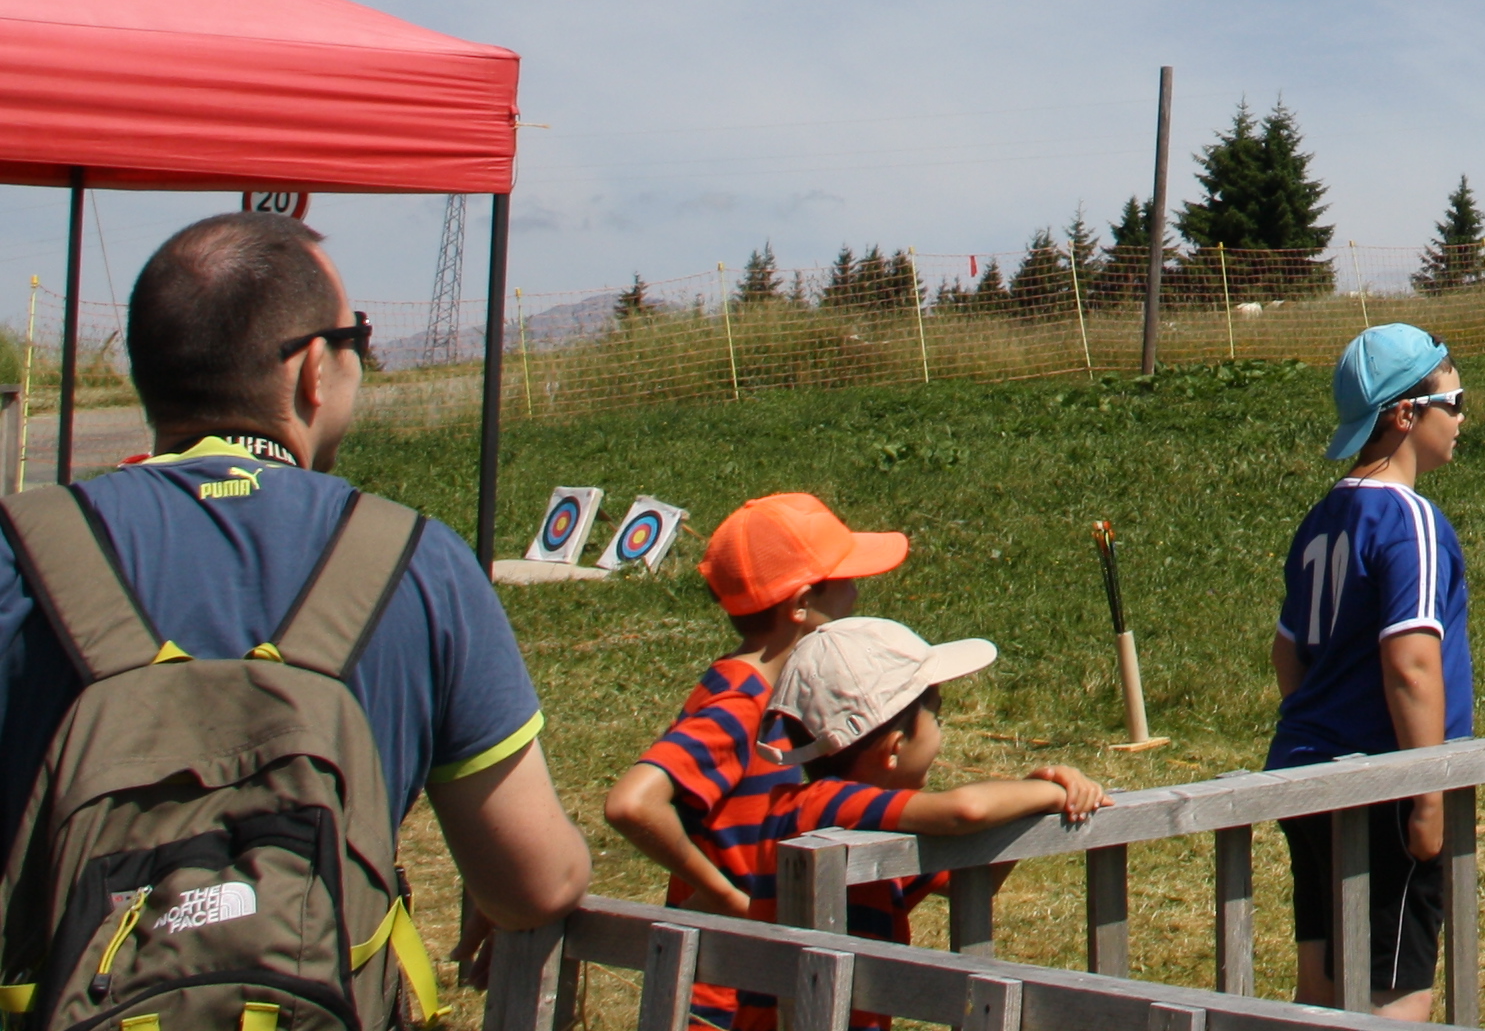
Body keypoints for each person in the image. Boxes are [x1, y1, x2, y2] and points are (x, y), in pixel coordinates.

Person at [0, 212, 591, 979]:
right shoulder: (419, 566)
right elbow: (536, 883)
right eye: (358, 341)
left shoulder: (21, 550)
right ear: (314, 368)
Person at [683, 617, 1110, 1031]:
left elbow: (963, 876)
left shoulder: (861, 820)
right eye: (936, 716)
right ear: (895, 747)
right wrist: (1049, 792)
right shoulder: (817, 808)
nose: (941, 730)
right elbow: (966, 811)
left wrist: (1027, 805)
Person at [1273, 322, 1474, 1021]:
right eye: (1453, 401)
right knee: (1395, 991)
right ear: (1404, 414)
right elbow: (1412, 663)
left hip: (1304, 773)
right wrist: (1425, 794)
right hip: (1382, 783)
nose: (1462, 418)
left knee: (1323, 979)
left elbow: (1287, 651)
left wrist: (1319, 727)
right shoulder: (1410, 519)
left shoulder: (1323, 516)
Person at [606, 492, 910, 919]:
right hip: (729, 974)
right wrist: (727, 897)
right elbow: (632, 804)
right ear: (801, 604)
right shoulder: (742, 704)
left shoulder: (772, 693)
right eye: (847, 582)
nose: (856, 596)